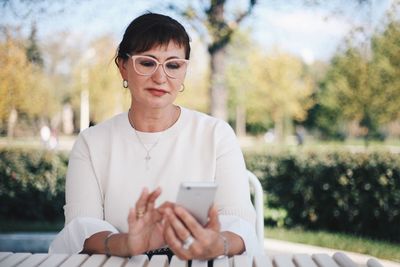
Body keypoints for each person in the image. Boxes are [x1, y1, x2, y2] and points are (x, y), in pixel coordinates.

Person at [49, 12, 261, 260]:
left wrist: (218, 245)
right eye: (147, 63)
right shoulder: (91, 142)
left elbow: (240, 223)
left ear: (183, 72)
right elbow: (79, 228)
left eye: (173, 65)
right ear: (123, 67)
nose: (160, 78)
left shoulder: (216, 134)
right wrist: (127, 243)